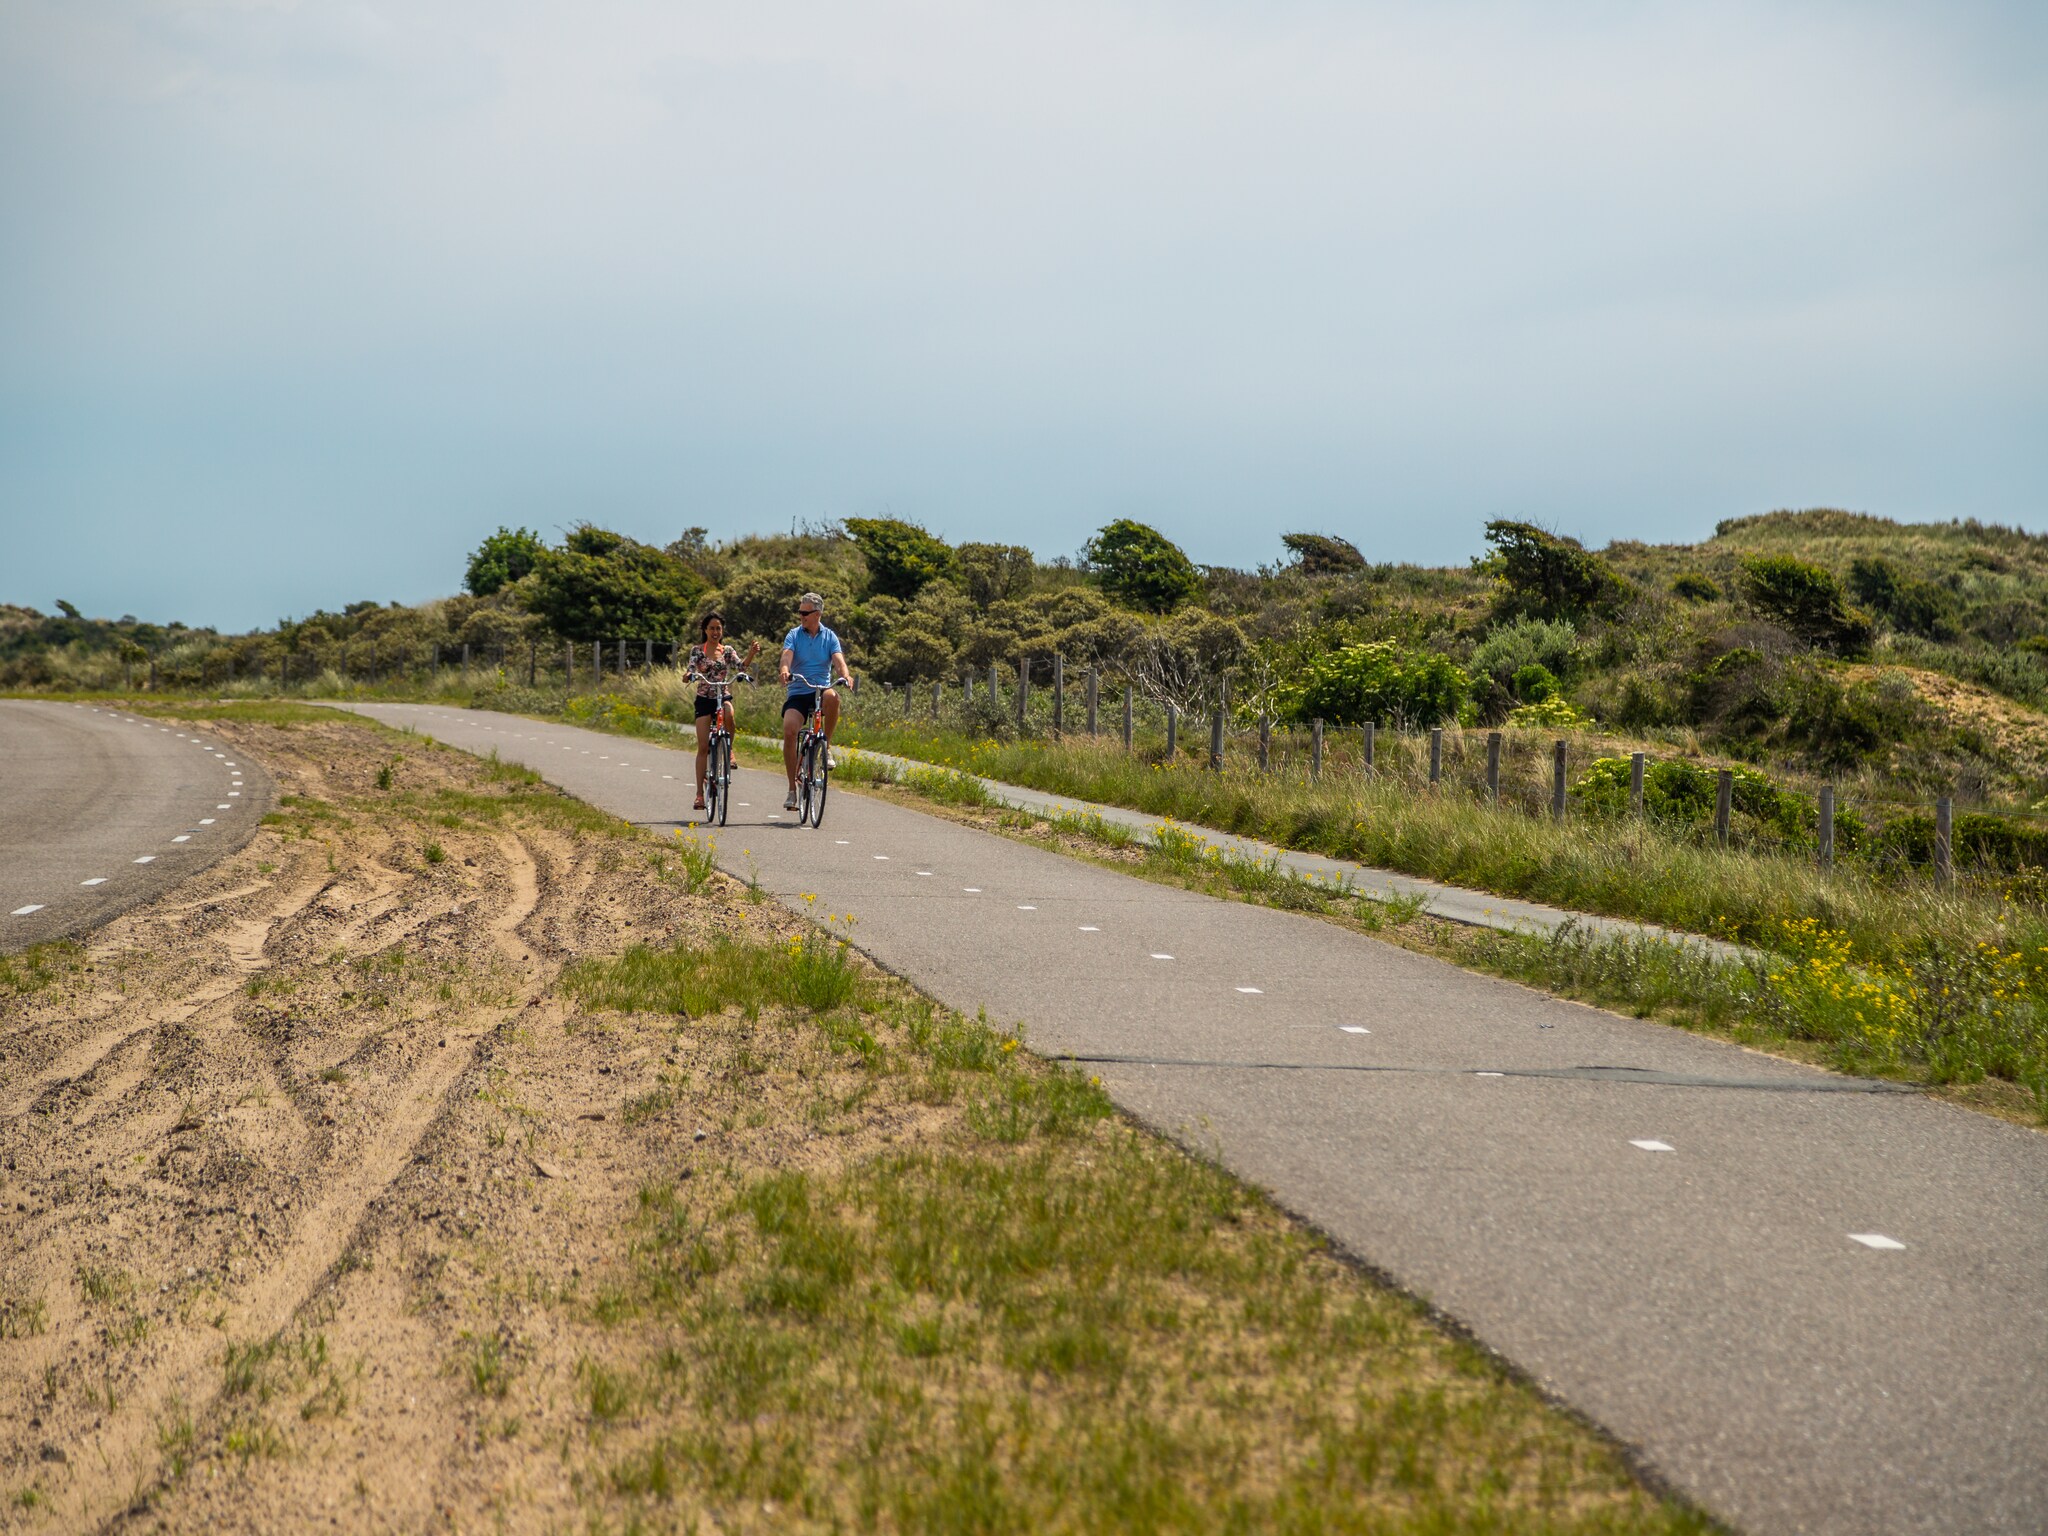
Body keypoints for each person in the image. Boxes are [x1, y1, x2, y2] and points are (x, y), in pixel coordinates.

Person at [778, 592, 853, 810]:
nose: (801, 616)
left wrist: (845, 675)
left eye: (805, 612)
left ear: (817, 614)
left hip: (820, 691)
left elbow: (839, 662)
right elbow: (786, 657)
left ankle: (825, 745)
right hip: (799, 690)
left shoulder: (830, 636)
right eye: (800, 612)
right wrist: (785, 671)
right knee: (790, 730)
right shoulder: (794, 634)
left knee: (833, 697)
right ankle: (792, 789)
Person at [686, 613, 759, 810]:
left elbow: (740, 666)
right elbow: (691, 669)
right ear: (705, 630)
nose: (715, 632)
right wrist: (689, 676)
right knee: (702, 747)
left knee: (729, 715)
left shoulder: (727, 651)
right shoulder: (697, 651)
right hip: (704, 699)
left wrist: (751, 653)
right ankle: (700, 795)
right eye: (712, 628)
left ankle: (729, 748)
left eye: (718, 628)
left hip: (722, 695)